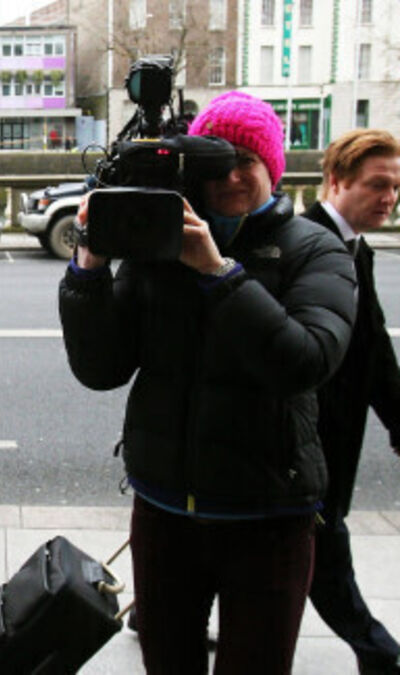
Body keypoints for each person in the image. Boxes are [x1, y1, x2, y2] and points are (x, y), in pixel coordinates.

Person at [59, 90, 356, 673]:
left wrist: (218, 272)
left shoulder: (313, 249)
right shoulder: (158, 243)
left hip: (269, 516)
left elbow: (306, 361)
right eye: (215, 162)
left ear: (274, 167)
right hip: (164, 509)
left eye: (247, 161)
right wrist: (88, 268)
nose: (232, 176)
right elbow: (100, 369)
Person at [303, 128, 400, 675]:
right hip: (308, 441)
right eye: (377, 185)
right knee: (325, 552)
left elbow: (373, 347)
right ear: (337, 181)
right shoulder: (306, 241)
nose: (390, 198)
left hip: (336, 437)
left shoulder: (355, 247)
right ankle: (379, 652)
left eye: (396, 187)